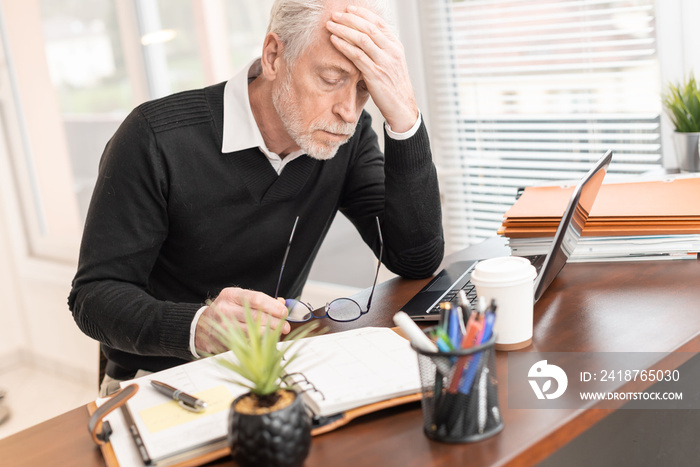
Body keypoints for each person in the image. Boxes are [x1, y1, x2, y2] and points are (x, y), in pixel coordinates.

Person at [69, 0, 444, 396]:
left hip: (270, 364)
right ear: (273, 56)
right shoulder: (155, 138)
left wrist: (404, 118)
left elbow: (415, 258)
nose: (348, 111)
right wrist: (198, 327)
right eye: (332, 78)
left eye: (365, 87)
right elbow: (93, 297)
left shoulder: (345, 139)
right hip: (158, 374)